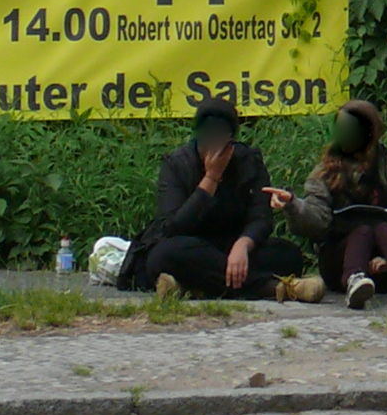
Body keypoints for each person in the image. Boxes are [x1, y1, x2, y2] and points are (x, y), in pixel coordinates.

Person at [123, 97, 320, 301]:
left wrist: (243, 245)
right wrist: (211, 178)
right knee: (163, 255)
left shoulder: (248, 161)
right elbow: (173, 227)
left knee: (289, 255)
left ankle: (194, 287)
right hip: (191, 246)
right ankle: (274, 288)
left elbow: (261, 217)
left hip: (231, 243)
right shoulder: (176, 165)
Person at [271, 97, 387, 309]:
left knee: (383, 227)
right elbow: (316, 222)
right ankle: (355, 280)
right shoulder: (325, 171)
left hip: (386, 265)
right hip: (339, 264)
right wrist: (293, 205)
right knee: (362, 230)